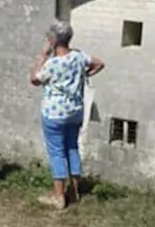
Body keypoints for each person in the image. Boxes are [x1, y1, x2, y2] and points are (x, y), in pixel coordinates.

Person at [29, 20, 104, 209]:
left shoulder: (52, 64)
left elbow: (34, 79)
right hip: (75, 111)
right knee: (72, 148)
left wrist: (42, 56)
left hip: (54, 113)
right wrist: (84, 75)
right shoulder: (78, 57)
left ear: (53, 40)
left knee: (57, 153)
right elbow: (99, 63)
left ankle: (59, 196)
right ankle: (75, 190)